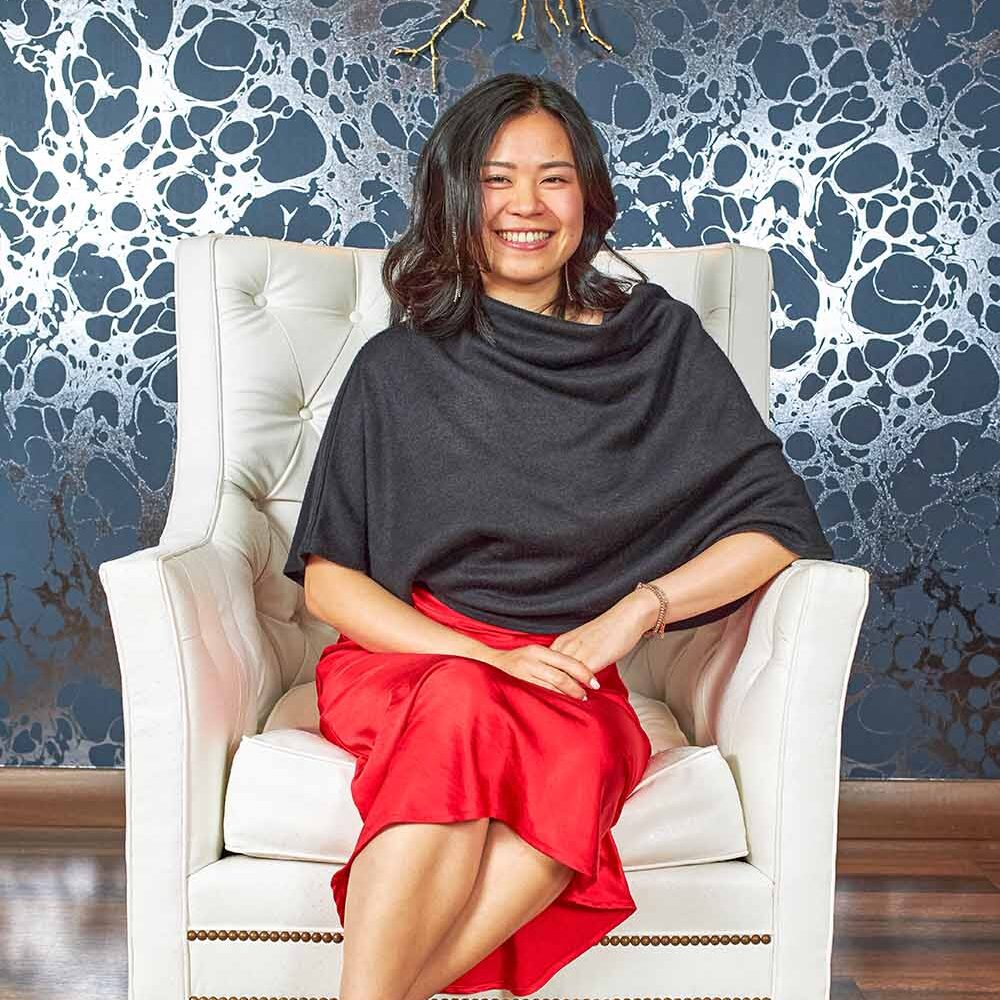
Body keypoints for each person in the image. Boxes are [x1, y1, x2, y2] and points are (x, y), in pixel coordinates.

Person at [283, 72, 834, 1000]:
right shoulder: (396, 366)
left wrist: (637, 612)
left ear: (589, 196)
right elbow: (331, 584)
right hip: (419, 660)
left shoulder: (658, 343)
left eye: (554, 178)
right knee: (464, 705)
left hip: (569, 670)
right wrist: (484, 658)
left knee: (576, 754)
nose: (526, 207)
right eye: (497, 180)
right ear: (455, 199)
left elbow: (777, 525)